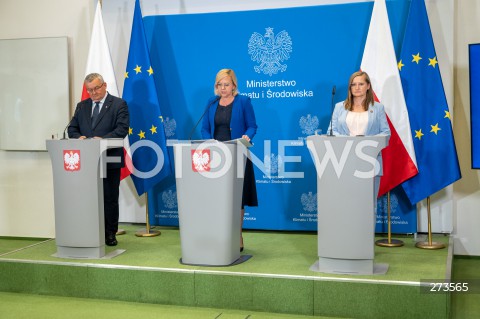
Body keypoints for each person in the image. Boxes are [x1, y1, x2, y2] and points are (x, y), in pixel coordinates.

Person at [68, 73, 129, 246]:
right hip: (87, 162)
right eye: (89, 90)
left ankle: (110, 233)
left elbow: (122, 129)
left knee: (109, 198)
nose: (93, 93)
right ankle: (91, 231)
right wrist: (78, 137)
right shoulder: (82, 106)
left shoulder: (119, 104)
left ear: (104, 85)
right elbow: (72, 128)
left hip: (109, 158)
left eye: (96, 88)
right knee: (89, 198)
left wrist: (101, 140)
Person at [201, 68, 258, 252]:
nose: (223, 88)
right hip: (216, 155)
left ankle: (237, 235)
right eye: (220, 85)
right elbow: (204, 128)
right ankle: (219, 234)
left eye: (226, 84)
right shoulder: (211, 103)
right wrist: (209, 141)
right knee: (218, 197)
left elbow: (252, 126)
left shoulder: (243, 101)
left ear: (234, 85)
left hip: (237, 153)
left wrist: (247, 136)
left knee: (237, 198)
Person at [329, 71, 390, 197]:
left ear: (368, 86)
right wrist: (349, 141)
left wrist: (367, 142)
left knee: (369, 204)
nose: (356, 88)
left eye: (361, 84)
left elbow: (386, 133)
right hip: (343, 161)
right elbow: (332, 131)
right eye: (353, 84)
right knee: (345, 201)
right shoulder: (339, 107)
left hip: (370, 161)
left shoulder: (378, 108)